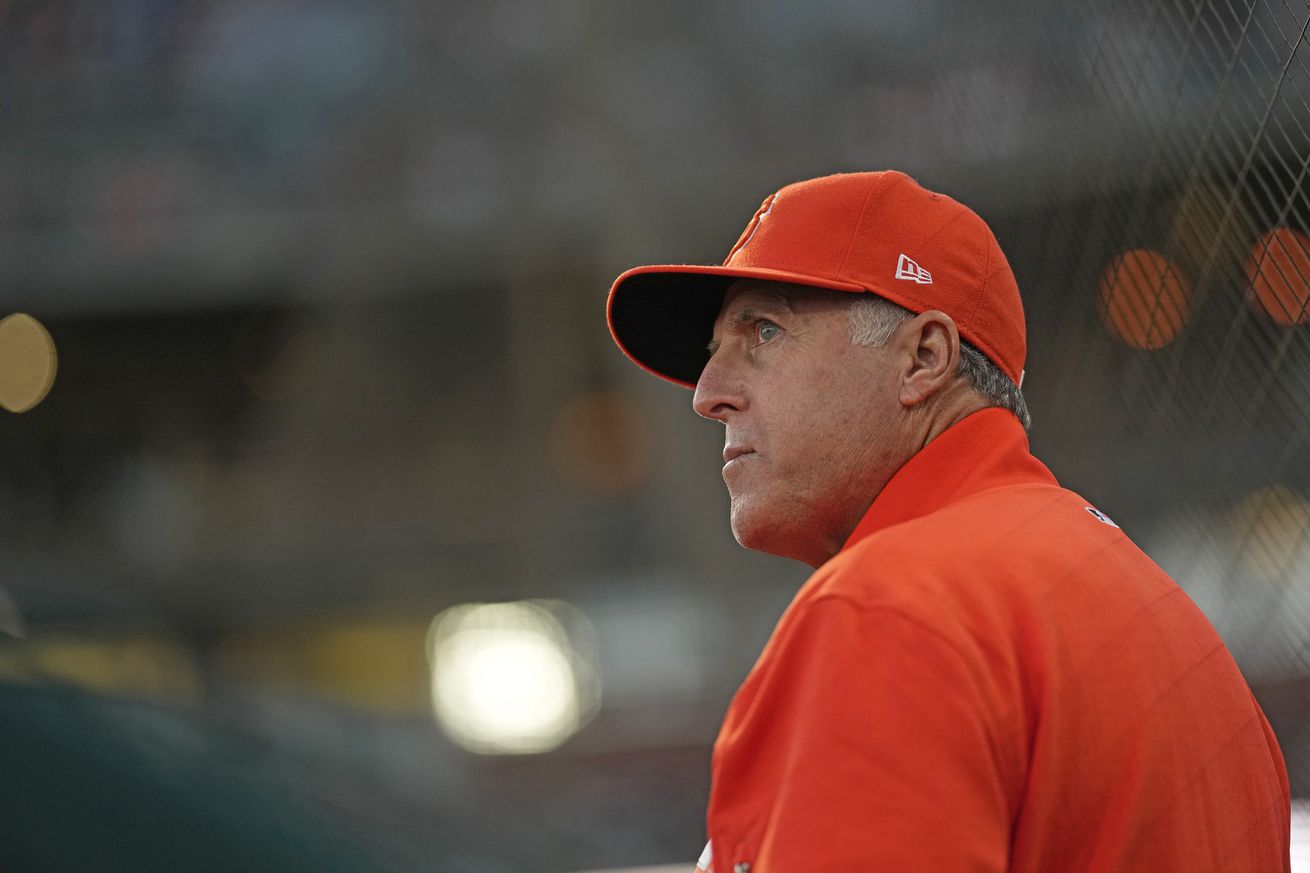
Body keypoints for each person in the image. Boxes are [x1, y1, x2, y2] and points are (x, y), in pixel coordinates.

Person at [605, 171, 1292, 872]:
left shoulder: (890, 610)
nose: (709, 395)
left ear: (924, 358)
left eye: (765, 330)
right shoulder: (1164, 617)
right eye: (715, 351)